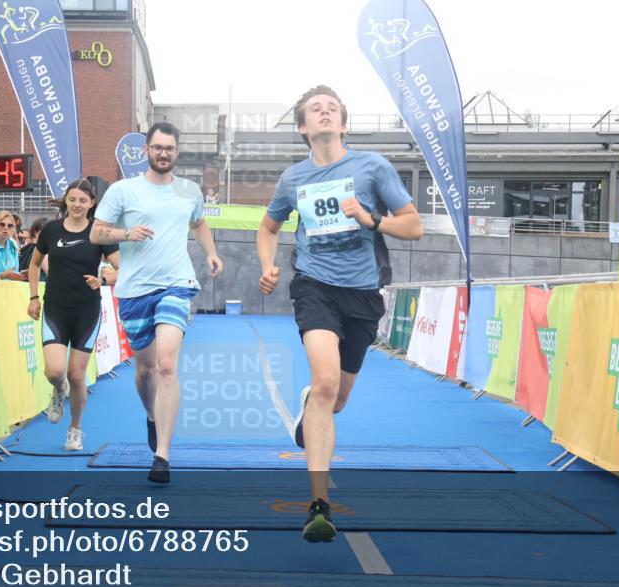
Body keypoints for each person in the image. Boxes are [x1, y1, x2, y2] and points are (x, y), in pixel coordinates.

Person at [256, 85, 422, 542]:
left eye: (333, 108)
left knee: (337, 398)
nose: (325, 113)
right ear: (303, 128)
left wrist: (373, 221)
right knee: (328, 382)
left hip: (363, 296)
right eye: (316, 109)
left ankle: (313, 404)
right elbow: (268, 228)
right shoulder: (292, 179)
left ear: (343, 124)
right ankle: (318, 505)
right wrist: (268, 265)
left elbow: (414, 225)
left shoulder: (373, 167)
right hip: (315, 288)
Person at [91, 122, 223, 483]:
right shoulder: (123, 191)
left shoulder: (190, 191)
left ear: (177, 152)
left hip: (176, 285)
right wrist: (126, 233)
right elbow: (96, 231)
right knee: (146, 370)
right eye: (157, 147)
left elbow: (198, 223)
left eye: (170, 148)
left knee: (167, 364)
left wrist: (210, 253)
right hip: (134, 291)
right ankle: (151, 415)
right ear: (147, 150)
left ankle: (162, 456)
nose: (163, 153)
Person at [27, 179, 120, 451]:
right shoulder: (51, 229)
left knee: (77, 376)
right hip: (55, 308)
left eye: (83, 200)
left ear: (92, 203)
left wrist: (104, 280)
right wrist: (33, 297)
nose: (77, 204)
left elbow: (121, 270)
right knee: (56, 371)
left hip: (87, 312)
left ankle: (75, 428)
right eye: (72, 199)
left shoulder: (100, 233)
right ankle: (58, 390)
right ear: (66, 201)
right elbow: (34, 265)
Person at [0, 210, 25, 281]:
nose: (6, 227)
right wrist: (2, 275)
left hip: (10, 289)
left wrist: (20, 275)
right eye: (2, 224)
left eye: (10, 225)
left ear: (13, 228)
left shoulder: (13, 244)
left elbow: (15, 270)